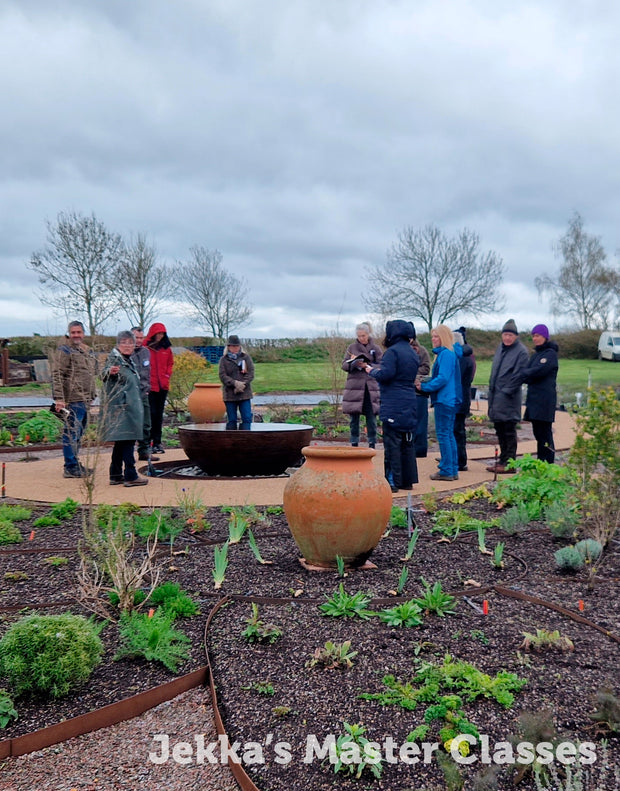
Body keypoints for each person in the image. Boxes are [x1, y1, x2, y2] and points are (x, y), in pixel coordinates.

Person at [364, 320, 418, 493]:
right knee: (407, 441)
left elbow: (386, 375)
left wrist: (370, 370)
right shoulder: (412, 352)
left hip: (394, 402)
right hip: (409, 400)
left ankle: (392, 481)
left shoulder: (392, 352)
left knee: (392, 442)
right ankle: (407, 480)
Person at [51, 320, 97, 478]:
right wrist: (59, 398)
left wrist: (92, 395)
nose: (76, 335)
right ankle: (70, 466)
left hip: (84, 399)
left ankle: (74, 462)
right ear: (69, 334)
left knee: (79, 433)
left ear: (83, 334)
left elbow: (90, 375)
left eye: (79, 332)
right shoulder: (64, 351)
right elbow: (57, 374)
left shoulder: (86, 351)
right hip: (72, 399)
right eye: (73, 332)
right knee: (71, 433)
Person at [101, 331, 148, 487]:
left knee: (121, 442)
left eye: (130, 343)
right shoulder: (115, 359)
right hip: (123, 408)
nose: (128, 346)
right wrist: (110, 372)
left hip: (126, 407)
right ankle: (130, 475)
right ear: (118, 344)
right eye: (124, 342)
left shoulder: (127, 360)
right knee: (128, 440)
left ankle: (115, 474)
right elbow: (104, 373)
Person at [417, 325, 462, 481]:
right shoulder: (448, 353)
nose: (433, 339)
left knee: (444, 435)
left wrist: (424, 387)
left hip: (445, 399)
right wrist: (426, 382)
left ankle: (447, 469)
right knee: (448, 434)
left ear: (443, 337)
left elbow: (442, 378)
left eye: (436, 336)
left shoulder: (446, 355)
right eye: (432, 336)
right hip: (449, 399)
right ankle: (452, 468)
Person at [487, 318, 529, 474]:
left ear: (516, 336)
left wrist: (505, 392)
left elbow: (519, 376)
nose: (507, 338)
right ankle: (502, 460)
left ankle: (510, 463)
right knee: (500, 430)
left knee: (509, 431)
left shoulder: (521, 352)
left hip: (509, 399)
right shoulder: (500, 348)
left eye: (510, 335)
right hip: (495, 397)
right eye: (505, 334)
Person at [520, 323, 559, 464]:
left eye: (537, 335)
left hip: (545, 400)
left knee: (545, 434)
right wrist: (526, 374)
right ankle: (540, 462)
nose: (535, 338)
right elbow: (528, 374)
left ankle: (548, 463)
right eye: (533, 336)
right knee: (538, 433)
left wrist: (526, 373)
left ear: (545, 337)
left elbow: (539, 371)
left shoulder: (550, 354)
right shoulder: (536, 355)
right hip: (534, 399)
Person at [341, 322, 382, 448]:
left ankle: (372, 442)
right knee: (354, 418)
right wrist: (353, 362)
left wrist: (368, 366)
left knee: (371, 417)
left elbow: (382, 365)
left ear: (368, 334)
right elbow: (344, 365)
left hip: (370, 387)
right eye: (359, 336)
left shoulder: (376, 348)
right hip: (355, 387)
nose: (361, 338)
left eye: (363, 335)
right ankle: (354, 442)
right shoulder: (351, 348)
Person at [144, 322, 174, 454]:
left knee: (159, 415)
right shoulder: (145, 347)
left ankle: (157, 442)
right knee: (151, 414)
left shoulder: (166, 349)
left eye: (162, 334)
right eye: (158, 333)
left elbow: (170, 363)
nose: (160, 336)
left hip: (162, 386)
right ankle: (148, 442)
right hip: (150, 386)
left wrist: (167, 375)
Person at [131, 327, 156, 461]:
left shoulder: (146, 352)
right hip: (130, 395)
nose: (139, 341)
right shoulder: (125, 353)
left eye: (141, 338)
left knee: (146, 424)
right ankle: (128, 454)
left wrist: (147, 388)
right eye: (136, 338)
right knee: (130, 424)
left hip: (144, 392)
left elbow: (147, 372)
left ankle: (144, 450)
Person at [219, 334, 255, 429]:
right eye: (233, 346)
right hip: (230, 394)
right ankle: (231, 440)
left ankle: (246, 438)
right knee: (232, 420)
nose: (235, 348)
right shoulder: (223, 360)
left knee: (247, 418)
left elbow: (251, 373)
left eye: (237, 346)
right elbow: (222, 376)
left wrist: (242, 384)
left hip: (244, 393)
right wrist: (235, 383)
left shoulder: (246, 358)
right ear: (228, 347)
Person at [452, 330, 476, 472]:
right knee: (457, 429)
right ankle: (458, 458)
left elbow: (457, 378)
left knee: (457, 430)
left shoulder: (462, 358)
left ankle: (460, 460)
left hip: (459, 398)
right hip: (463, 396)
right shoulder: (466, 357)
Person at [411, 337, 431, 458]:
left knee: (421, 422)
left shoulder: (422, 351)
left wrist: (410, 370)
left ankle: (420, 450)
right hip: (407, 391)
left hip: (419, 392)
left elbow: (426, 368)